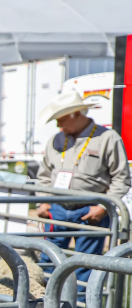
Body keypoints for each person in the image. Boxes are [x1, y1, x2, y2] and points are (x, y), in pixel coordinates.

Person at [36, 91, 130, 291]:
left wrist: (103, 206)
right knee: (49, 259)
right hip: (58, 209)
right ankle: (45, 305)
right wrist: (43, 201)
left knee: (84, 266)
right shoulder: (55, 140)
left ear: (76, 114)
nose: (58, 125)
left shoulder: (107, 138)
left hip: (90, 211)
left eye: (61, 118)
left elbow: (121, 177)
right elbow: (44, 175)